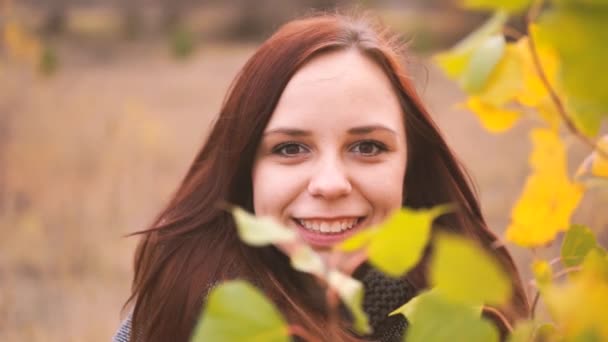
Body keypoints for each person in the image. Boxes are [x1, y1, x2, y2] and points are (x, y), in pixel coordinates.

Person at [114, 12, 530, 342]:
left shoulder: (471, 315)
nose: (330, 184)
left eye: (367, 147)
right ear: (245, 172)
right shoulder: (179, 316)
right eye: (290, 148)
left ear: (410, 166)